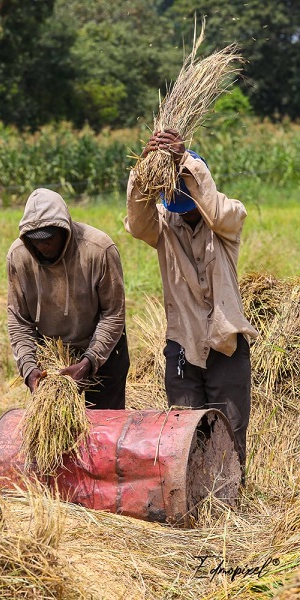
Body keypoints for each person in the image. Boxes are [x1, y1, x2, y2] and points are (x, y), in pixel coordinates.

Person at [124, 128, 258, 476]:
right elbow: (137, 224)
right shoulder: (165, 225)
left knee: (229, 428)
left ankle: (229, 497)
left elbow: (212, 208)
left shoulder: (227, 217)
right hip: (183, 344)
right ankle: (193, 497)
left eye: (191, 208)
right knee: (185, 433)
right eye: (180, 208)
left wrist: (186, 160)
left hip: (226, 342)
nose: (187, 214)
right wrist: (145, 169)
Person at [7, 187, 129, 409]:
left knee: (104, 428)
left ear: (65, 229)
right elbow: (19, 320)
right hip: (54, 356)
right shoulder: (19, 256)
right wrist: (29, 367)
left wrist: (90, 361)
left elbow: (113, 313)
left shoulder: (98, 249)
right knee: (58, 431)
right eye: (35, 240)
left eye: (48, 239)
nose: (42, 246)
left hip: (103, 349)